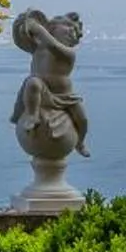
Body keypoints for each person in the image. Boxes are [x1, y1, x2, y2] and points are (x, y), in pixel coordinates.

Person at [10, 8, 89, 156]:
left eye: (75, 30)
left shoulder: (68, 53)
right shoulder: (38, 48)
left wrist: (37, 28)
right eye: (68, 27)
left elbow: (51, 44)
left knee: (82, 119)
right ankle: (32, 114)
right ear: (52, 28)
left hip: (65, 95)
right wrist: (24, 24)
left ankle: (80, 142)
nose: (72, 31)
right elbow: (21, 39)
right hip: (41, 90)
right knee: (33, 82)